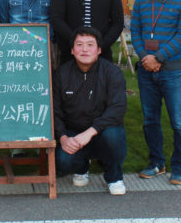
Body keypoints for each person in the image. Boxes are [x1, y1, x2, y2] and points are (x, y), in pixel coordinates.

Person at [130, 0, 181, 185]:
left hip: (173, 71)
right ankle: (157, 162)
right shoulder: (141, 0)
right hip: (146, 71)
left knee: (179, 121)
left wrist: (157, 57)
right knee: (150, 120)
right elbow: (135, 32)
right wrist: (144, 56)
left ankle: (179, 167)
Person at [53, 26, 128, 195]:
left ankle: (114, 177)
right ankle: (82, 166)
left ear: (99, 50)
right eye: (79, 45)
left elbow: (118, 108)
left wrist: (90, 132)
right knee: (63, 161)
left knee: (113, 136)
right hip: (74, 130)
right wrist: (63, 138)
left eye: (90, 45)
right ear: (72, 50)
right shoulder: (61, 74)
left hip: (103, 130)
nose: (84, 49)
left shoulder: (112, 73)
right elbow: (55, 111)